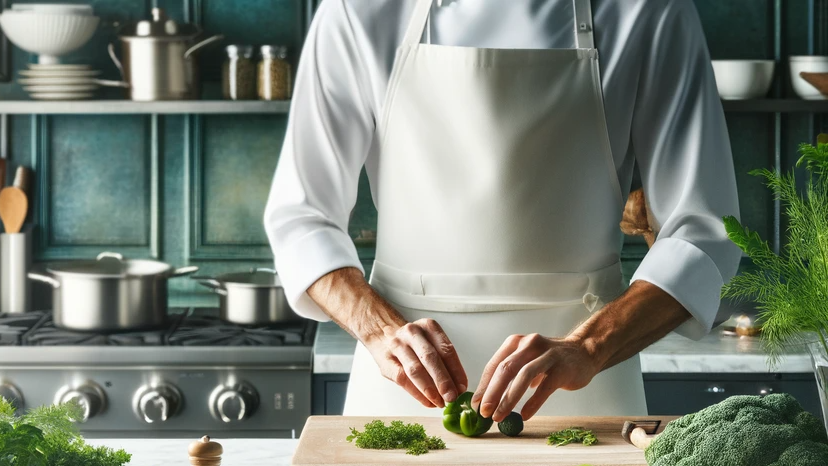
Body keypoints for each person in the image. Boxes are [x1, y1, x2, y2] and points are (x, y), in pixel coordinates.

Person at [264, 0, 741, 421]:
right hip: (401, 390)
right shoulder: (356, 10)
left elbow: (703, 233)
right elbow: (302, 217)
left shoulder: (649, 11)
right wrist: (379, 329)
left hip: (585, 389)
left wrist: (589, 347)